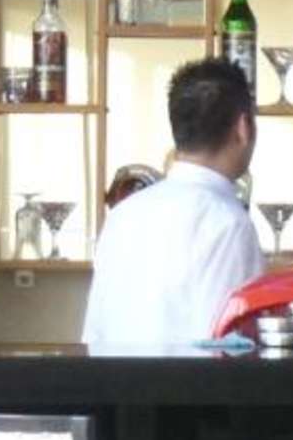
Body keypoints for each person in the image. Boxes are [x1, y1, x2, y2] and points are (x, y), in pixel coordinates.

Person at [81, 58, 264, 348]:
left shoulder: (122, 215)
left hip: (110, 378)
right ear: (243, 127)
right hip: (188, 380)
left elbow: (94, 337)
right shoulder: (228, 223)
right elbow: (227, 349)